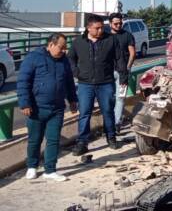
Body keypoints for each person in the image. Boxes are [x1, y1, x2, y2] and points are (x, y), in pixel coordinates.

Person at [16, 33, 78, 182]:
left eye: (65, 48)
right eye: (61, 47)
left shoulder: (64, 61)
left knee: (53, 140)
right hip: (37, 108)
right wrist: (25, 103)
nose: (64, 51)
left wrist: (72, 100)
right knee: (34, 139)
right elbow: (23, 82)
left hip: (57, 108)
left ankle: (50, 170)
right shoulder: (34, 58)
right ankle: (32, 166)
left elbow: (69, 81)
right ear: (50, 45)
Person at [68, 14, 125, 155]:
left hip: (105, 83)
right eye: (97, 28)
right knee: (84, 113)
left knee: (108, 111)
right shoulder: (77, 42)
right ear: (88, 28)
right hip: (85, 84)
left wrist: (123, 77)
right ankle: (82, 142)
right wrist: (77, 73)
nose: (100, 30)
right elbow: (70, 59)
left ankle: (111, 137)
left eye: (102, 27)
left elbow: (120, 59)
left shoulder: (111, 40)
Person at [106, 13, 135, 133]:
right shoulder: (105, 36)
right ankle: (108, 123)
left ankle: (116, 123)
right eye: (115, 23)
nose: (118, 25)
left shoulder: (127, 35)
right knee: (107, 98)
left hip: (122, 73)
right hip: (107, 72)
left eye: (120, 23)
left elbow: (132, 53)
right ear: (110, 23)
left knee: (120, 98)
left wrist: (127, 68)